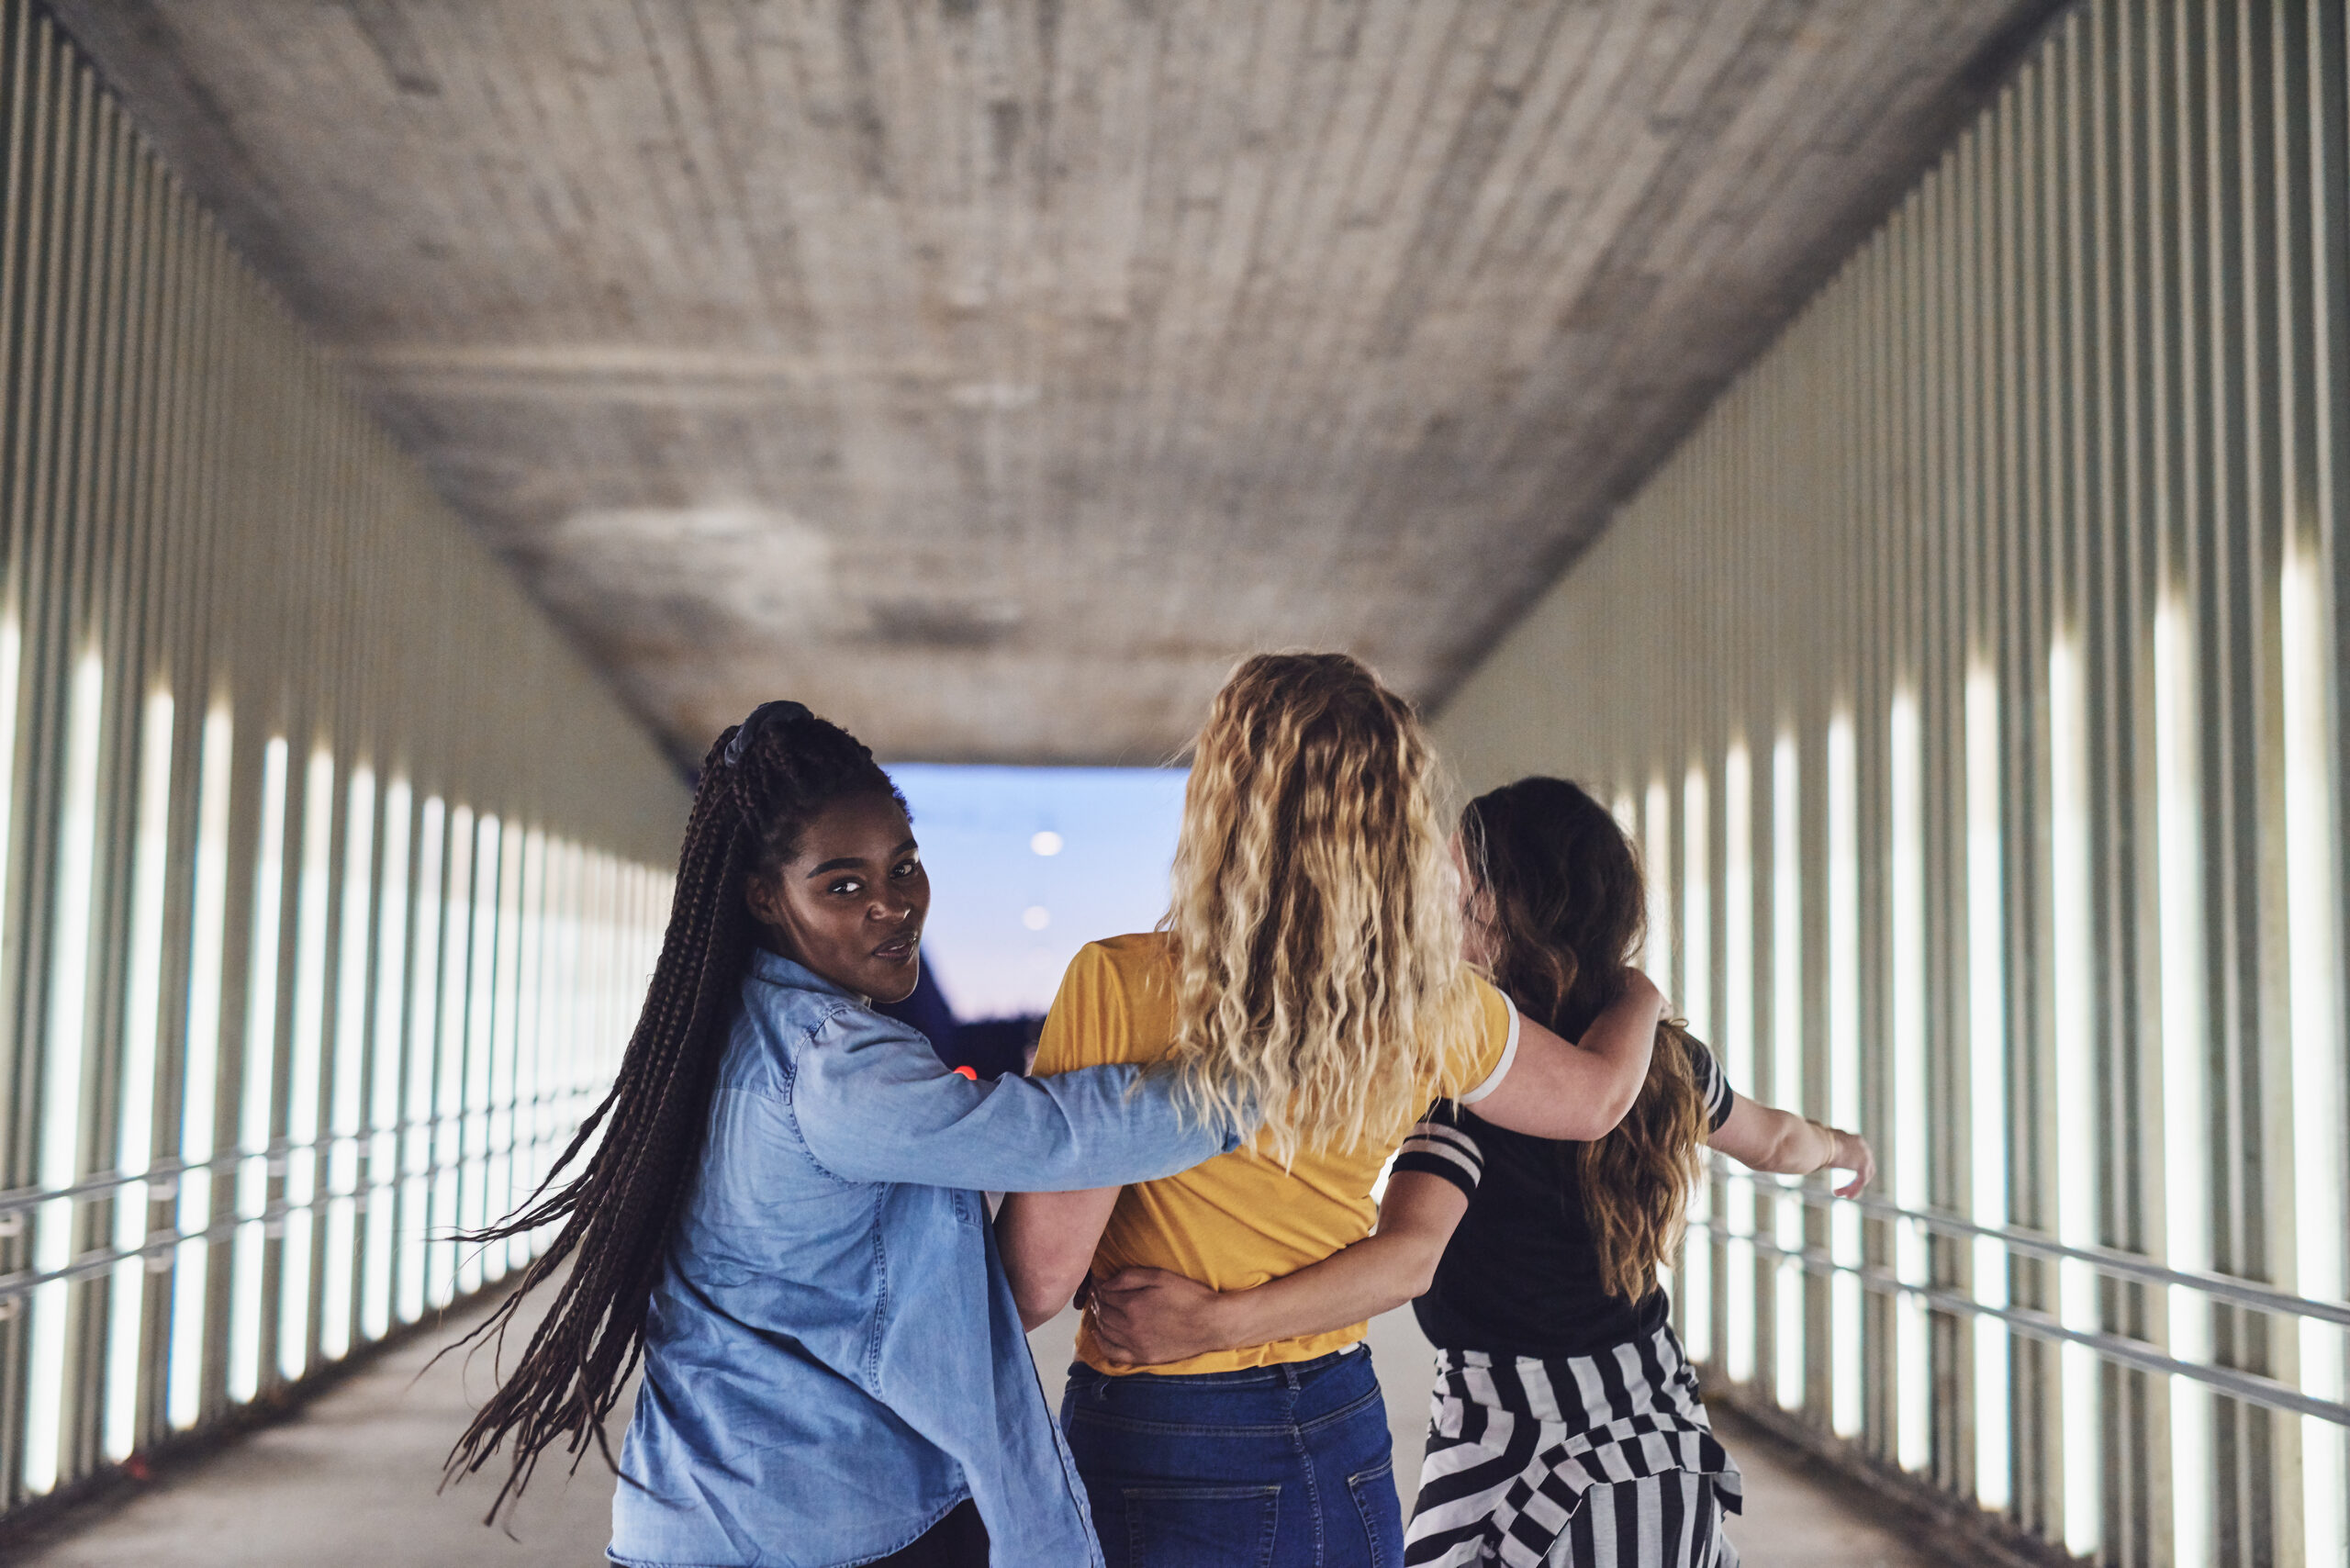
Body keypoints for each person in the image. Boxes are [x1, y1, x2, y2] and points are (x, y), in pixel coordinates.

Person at [442, 700, 1256, 1568]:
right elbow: (1057, 1137)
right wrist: (1265, 1080)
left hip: (684, 1523)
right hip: (827, 1528)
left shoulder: (717, 1033)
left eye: (904, 867)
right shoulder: (832, 1068)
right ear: (764, 897)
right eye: (843, 884)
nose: (893, 906)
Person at [1087, 776, 1876, 1568]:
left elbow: (1410, 1255)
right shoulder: (1664, 1062)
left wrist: (1215, 1322)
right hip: (1643, 1420)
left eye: (1461, 882)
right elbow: (1777, 1143)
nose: (1441, 897)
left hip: (1525, 1436)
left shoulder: (1477, 1081)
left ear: (1504, 910)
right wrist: (1843, 1148)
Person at [996, 657, 1668, 1568]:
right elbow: (1595, 1100)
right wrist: (1640, 990)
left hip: (1165, 1425)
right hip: (1339, 1419)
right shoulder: (1436, 1006)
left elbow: (1035, 1283)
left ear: (1225, 802)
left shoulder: (1121, 984)